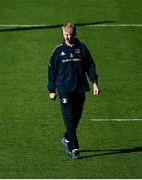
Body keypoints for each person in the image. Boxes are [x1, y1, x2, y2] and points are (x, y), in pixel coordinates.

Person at [47, 23, 99, 160]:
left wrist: (94, 82)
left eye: (70, 34)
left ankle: (66, 138)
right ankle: (75, 148)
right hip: (63, 88)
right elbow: (51, 70)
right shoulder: (58, 51)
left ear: (74, 33)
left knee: (76, 117)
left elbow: (91, 66)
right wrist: (51, 89)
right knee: (69, 116)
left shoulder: (82, 49)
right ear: (62, 34)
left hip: (80, 88)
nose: (68, 37)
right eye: (65, 35)